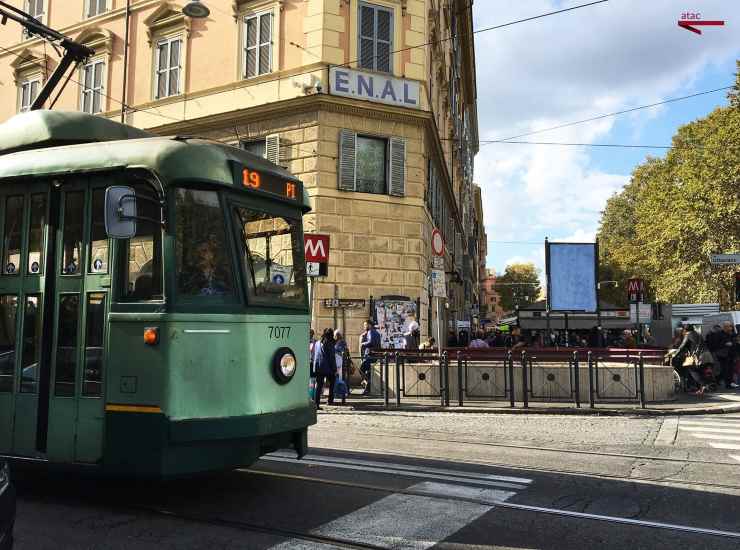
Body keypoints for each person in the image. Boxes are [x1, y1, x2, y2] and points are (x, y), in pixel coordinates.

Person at [313, 328, 337, 409]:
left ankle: (316, 403)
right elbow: (332, 357)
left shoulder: (317, 343)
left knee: (319, 386)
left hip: (318, 367)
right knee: (332, 382)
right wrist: (334, 369)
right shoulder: (329, 343)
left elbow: (314, 355)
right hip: (327, 367)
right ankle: (330, 400)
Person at [359, 320, 381, 395]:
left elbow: (371, 342)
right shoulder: (377, 333)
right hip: (375, 355)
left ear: (369, 325)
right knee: (368, 372)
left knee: (361, 369)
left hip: (370, 355)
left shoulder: (371, 331)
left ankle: (368, 383)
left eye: (365, 325)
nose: (364, 327)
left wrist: (363, 344)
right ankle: (367, 387)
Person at [715, 322, 738, 390]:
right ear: (725, 327)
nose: (730, 328)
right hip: (722, 354)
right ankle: (727, 384)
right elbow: (716, 344)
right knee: (725, 369)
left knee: (730, 369)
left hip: (731, 354)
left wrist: (733, 343)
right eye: (729, 326)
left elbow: (735, 342)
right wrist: (725, 344)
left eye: (731, 326)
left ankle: (719, 379)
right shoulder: (719, 334)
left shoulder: (732, 334)